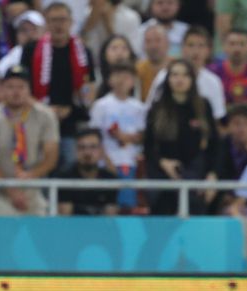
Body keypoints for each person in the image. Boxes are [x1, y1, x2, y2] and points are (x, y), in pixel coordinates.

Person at [0, 64, 60, 216]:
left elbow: (51, 156)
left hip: (32, 189)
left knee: (42, 226)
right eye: (10, 87)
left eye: (21, 87)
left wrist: (32, 174)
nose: (16, 92)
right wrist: (10, 189)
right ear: (1, 89)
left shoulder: (45, 116)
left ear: (29, 90)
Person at [20, 1, 96, 165]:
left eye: (62, 20)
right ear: (46, 23)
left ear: (71, 22)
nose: (58, 25)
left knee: (69, 165)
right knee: (39, 165)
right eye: (53, 20)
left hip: (72, 119)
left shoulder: (83, 51)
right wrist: (45, 110)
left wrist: (72, 108)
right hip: (38, 116)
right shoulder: (31, 49)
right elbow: (21, 87)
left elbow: (90, 87)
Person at [143, 58, 219, 215]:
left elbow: (215, 144)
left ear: (192, 79)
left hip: (195, 174)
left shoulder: (204, 106)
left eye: (185, 75)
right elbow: (148, 146)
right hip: (163, 175)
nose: (179, 79)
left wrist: (212, 174)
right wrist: (163, 162)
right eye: (175, 75)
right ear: (168, 79)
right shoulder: (157, 108)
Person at [88, 60, 144, 208]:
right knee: (105, 203)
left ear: (133, 81)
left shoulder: (139, 108)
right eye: (117, 76)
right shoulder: (101, 106)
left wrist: (126, 138)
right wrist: (105, 160)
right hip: (105, 162)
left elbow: (142, 136)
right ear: (109, 80)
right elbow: (94, 136)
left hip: (129, 163)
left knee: (126, 205)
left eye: (126, 77)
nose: (121, 80)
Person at [149, 25, 226, 121]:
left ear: (208, 50)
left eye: (201, 46)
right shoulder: (164, 75)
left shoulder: (214, 82)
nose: (196, 51)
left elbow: (217, 117)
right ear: (182, 48)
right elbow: (151, 111)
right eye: (190, 45)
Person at [54, 127, 120, 214]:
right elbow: (64, 219)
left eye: (93, 147)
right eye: (82, 147)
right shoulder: (64, 178)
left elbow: (110, 219)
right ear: (75, 150)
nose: (87, 153)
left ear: (101, 150)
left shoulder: (110, 180)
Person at [135, 23, 170, 101]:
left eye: (158, 40)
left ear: (168, 43)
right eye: (148, 41)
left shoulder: (178, 67)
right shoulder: (137, 70)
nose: (153, 46)